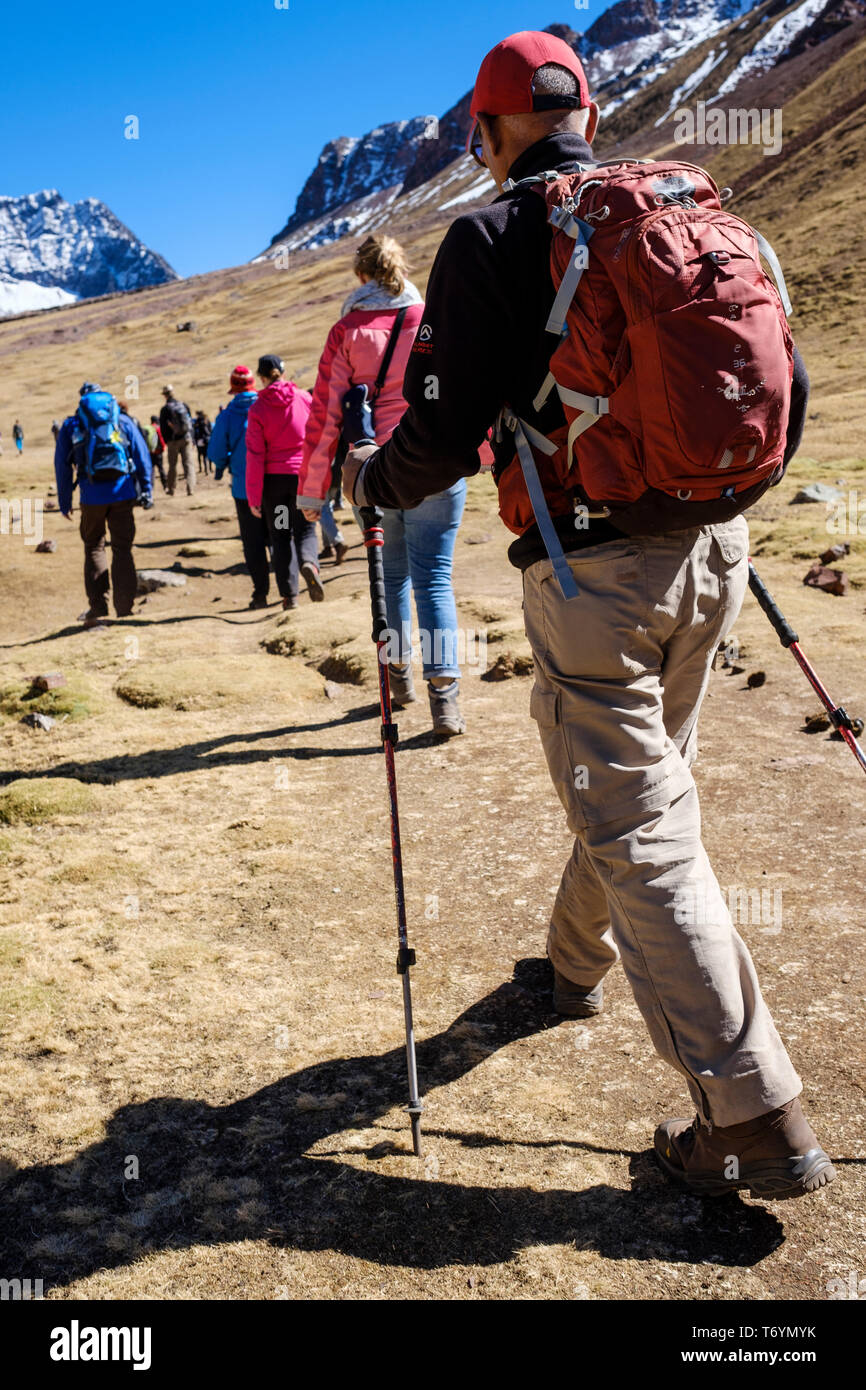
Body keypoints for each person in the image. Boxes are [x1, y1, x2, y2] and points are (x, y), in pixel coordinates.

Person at [337, 31, 833, 1201]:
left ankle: (749, 1110)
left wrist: (367, 478)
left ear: (487, 127)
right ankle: (567, 971)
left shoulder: (492, 236)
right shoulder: (684, 210)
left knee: (640, 820)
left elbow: (441, 433)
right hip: (715, 549)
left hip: (592, 571)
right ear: (588, 113)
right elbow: (788, 386)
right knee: (642, 786)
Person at [299, 234, 466, 736]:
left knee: (392, 578)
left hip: (372, 469)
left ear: (360, 277)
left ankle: (400, 680)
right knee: (435, 578)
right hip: (433, 462)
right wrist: (480, 456)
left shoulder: (346, 331)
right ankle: (446, 702)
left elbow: (326, 415)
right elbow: (464, 389)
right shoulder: (433, 318)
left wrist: (311, 492)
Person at [54, 382, 152, 626]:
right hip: (123, 493)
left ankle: (98, 608)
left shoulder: (72, 425)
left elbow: (62, 466)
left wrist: (65, 501)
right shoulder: (121, 421)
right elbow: (141, 454)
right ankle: (124, 609)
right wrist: (147, 489)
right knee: (122, 549)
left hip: (91, 496)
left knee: (94, 547)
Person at [246, 354, 321, 610]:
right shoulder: (304, 399)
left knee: (281, 536)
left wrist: (254, 498)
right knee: (307, 529)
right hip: (303, 477)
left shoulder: (257, 408)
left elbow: (255, 456)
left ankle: (290, 596)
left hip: (274, 484)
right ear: (283, 372)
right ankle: (310, 563)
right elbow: (318, 439)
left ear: (262, 377)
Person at [208, 366, 271, 609]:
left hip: (244, 491)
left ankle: (260, 594)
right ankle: (290, 591)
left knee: (253, 541)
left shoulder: (227, 416)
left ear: (234, 388)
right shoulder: (267, 406)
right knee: (281, 531)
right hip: (274, 485)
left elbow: (215, 451)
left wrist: (224, 463)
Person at [158, 385, 195, 496]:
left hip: (173, 441)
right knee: (188, 464)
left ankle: (171, 489)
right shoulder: (183, 405)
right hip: (186, 438)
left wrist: (166, 441)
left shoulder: (165, 409)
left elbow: (163, 428)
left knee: (172, 465)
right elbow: (190, 422)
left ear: (165, 395)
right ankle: (191, 488)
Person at [141, 415, 167, 491]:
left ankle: (151, 487)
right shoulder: (157, 428)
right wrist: (163, 447)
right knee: (161, 468)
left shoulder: (148, 428)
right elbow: (161, 438)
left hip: (150, 453)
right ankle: (165, 485)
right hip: (158, 452)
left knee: (151, 470)